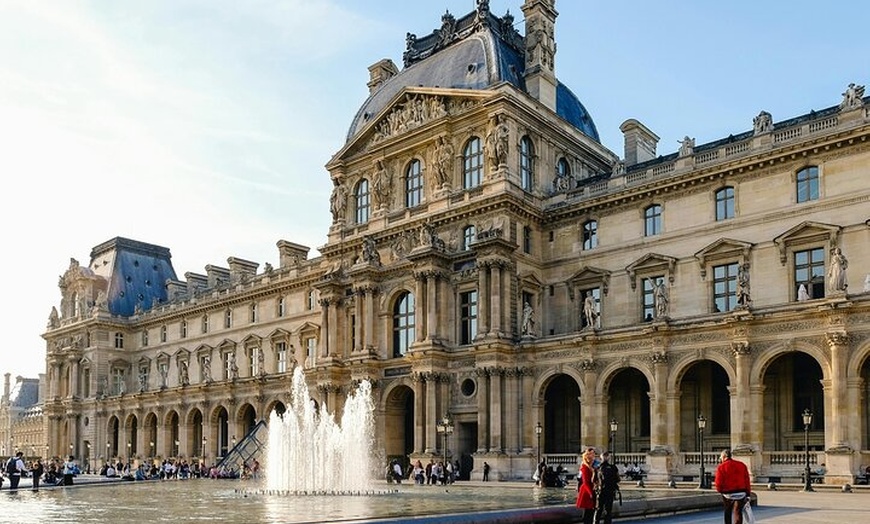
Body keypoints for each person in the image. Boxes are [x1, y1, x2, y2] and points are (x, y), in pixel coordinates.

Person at [714, 449, 751, 524]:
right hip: (741, 492)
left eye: (721, 457)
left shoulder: (721, 467)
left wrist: (720, 490)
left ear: (724, 457)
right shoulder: (741, 465)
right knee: (738, 512)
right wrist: (748, 493)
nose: (720, 459)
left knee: (727, 512)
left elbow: (718, 482)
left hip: (728, 494)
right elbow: (747, 479)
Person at [594, 451, 620, 524]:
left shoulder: (597, 468)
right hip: (610, 491)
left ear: (600, 458)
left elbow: (593, 480)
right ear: (608, 458)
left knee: (598, 509)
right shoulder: (613, 467)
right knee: (608, 511)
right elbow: (618, 479)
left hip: (601, 491)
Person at [575, 447, 597, 524]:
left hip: (591, 490)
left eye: (594, 453)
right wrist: (591, 493)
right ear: (587, 456)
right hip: (587, 492)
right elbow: (585, 482)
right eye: (592, 454)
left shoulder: (591, 467)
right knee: (588, 512)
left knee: (590, 511)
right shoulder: (585, 467)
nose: (594, 455)